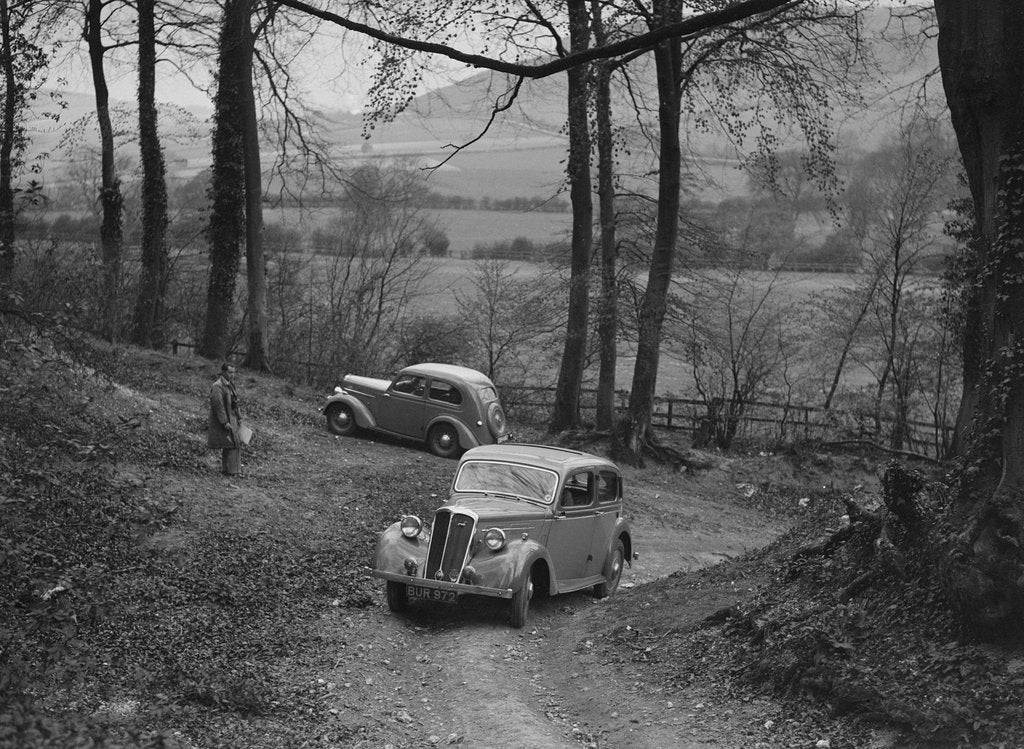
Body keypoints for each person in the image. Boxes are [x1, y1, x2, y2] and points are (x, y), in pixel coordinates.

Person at [208, 363, 243, 475]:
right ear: (223, 372)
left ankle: (234, 470)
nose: (232, 375)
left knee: (235, 443)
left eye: (234, 372)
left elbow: (235, 402)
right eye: (230, 372)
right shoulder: (218, 386)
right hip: (225, 420)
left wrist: (239, 417)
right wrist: (224, 422)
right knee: (229, 443)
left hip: (233, 418)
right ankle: (229, 470)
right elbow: (218, 405)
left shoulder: (230, 385)